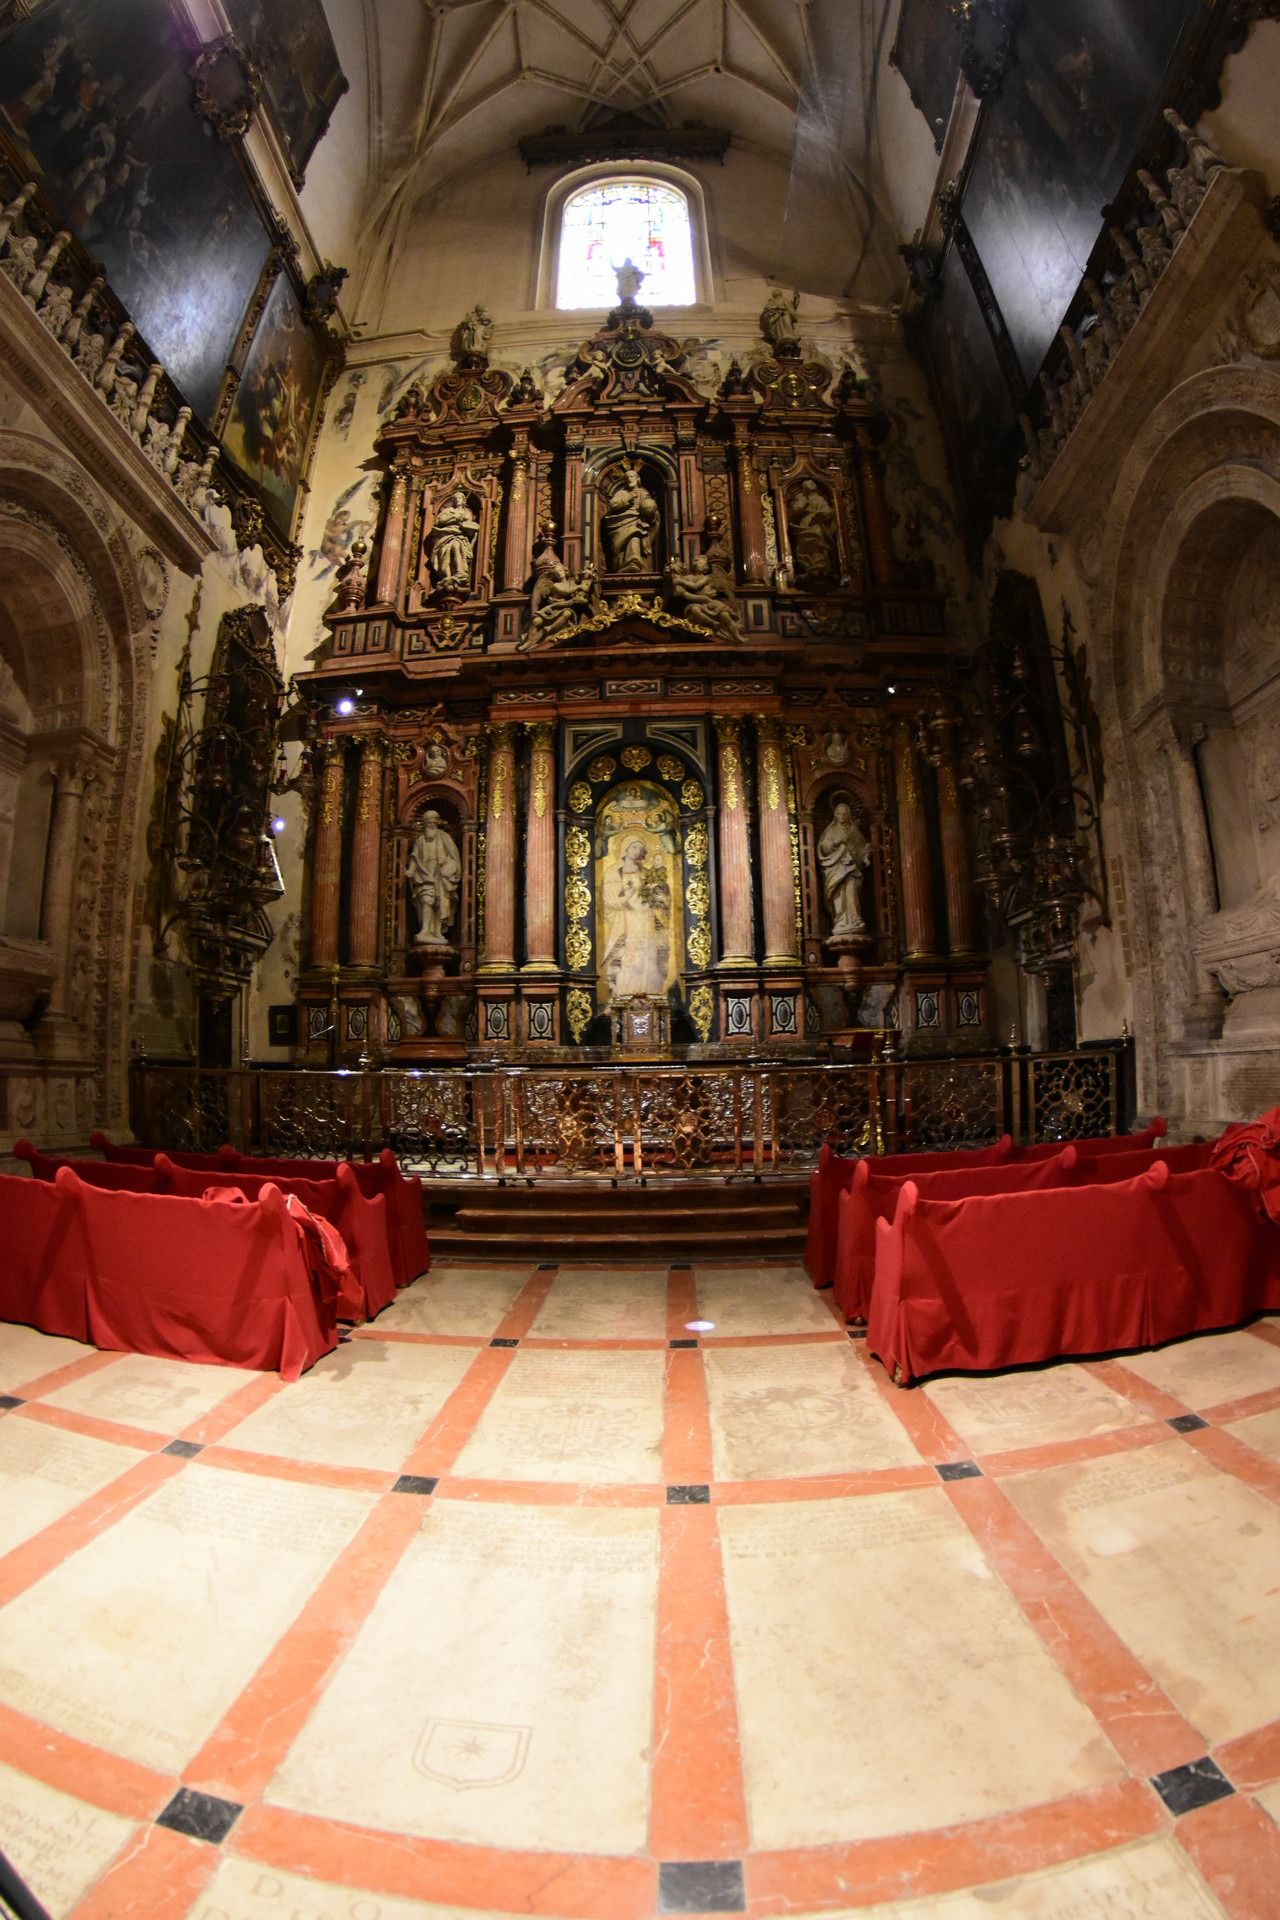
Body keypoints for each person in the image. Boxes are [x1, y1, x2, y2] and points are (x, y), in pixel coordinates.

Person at [601, 837, 671, 1002]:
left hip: (646, 918)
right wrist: (628, 897)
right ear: (625, 849)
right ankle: (623, 993)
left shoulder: (647, 873)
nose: (637, 851)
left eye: (640, 848)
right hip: (626, 920)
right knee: (629, 954)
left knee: (648, 953)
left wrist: (660, 898)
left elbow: (661, 898)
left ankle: (651, 992)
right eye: (633, 847)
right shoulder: (613, 873)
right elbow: (609, 900)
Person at [407, 810, 461, 944]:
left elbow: (454, 857)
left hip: (441, 876)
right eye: (427, 824)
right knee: (426, 900)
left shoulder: (445, 837)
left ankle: (437, 931)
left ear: (436, 823)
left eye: (432, 823)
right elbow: (414, 857)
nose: (430, 826)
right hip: (424, 875)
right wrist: (411, 870)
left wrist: (448, 867)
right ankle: (425, 930)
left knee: (440, 903)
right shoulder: (420, 840)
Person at [818, 800, 871, 934]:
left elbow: (861, 848)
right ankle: (840, 920)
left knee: (852, 893)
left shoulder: (853, 831)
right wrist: (836, 843)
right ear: (835, 815)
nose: (842, 816)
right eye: (839, 814)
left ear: (849, 815)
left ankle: (855, 919)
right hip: (836, 870)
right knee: (839, 895)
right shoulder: (831, 831)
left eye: (845, 814)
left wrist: (865, 855)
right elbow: (824, 848)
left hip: (852, 869)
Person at [668, 553, 741, 641]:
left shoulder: (707, 577)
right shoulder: (688, 577)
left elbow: (695, 586)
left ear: (705, 567)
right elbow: (679, 591)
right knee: (695, 610)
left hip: (709, 602)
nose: (700, 566)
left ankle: (737, 636)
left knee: (724, 614)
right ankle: (714, 625)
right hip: (696, 603)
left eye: (702, 564)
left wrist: (679, 581)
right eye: (699, 563)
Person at [601, 463, 658, 572]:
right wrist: (627, 499)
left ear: (637, 479)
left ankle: (633, 563)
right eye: (627, 478)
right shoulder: (622, 493)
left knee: (634, 538)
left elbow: (650, 508)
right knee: (620, 545)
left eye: (631, 477)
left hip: (637, 522)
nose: (629, 479)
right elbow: (612, 504)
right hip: (621, 522)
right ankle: (621, 565)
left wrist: (649, 509)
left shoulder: (644, 492)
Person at [429, 487, 478, 588]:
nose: (457, 500)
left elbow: (468, 523)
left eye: (459, 498)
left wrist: (459, 522)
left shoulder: (467, 512)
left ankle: (460, 572)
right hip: (445, 535)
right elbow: (440, 521)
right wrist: (455, 517)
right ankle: (447, 576)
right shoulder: (448, 511)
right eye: (455, 498)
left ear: (464, 500)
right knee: (445, 552)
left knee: (456, 545)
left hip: (460, 535)